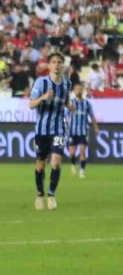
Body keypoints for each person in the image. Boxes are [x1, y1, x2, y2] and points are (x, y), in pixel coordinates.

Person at [29, 52, 75, 211]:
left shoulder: (67, 84)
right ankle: (40, 194)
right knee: (40, 165)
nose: (57, 65)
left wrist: (70, 106)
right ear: (49, 65)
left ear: (63, 65)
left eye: (59, 62)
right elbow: (31, 104)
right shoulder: (41, 82)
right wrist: (44, 97)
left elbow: (67, 101)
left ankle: (51, 195)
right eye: (54, 62)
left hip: (59, 129)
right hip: (42, 130)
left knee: (56, 162)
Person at [66, 82, 100, 179]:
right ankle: (73, 165)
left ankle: (82, 171)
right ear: (74, 91)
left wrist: (96, 127)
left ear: (83, 91)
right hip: (72, 131)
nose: (79, 91)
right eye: (77, 89)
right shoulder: (71, 103)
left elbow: (92, 116)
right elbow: (65, 115)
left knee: (82, 152)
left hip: (83, 131)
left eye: (80, 89)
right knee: (72, 153)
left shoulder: (87, 104)